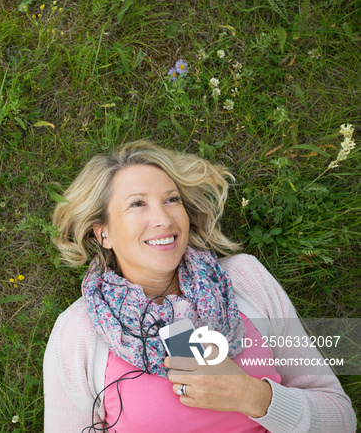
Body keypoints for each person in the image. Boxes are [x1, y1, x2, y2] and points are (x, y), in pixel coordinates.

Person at [44, 140, 355, 432]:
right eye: (138, 204)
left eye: (171, 200)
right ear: (103, 233)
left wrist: (252, 395)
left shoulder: (245, 281)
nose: (163, 219)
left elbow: (341, 419)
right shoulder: (78, 333)